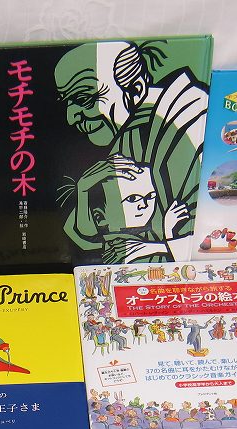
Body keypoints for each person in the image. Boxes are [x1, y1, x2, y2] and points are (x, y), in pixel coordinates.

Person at [55, 40, 207, 263]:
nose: (71, 117)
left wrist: (148, 248)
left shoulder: (188, 124)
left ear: (136, 90)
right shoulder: (131, 132)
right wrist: (84, 188)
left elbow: (202, 241)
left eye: (85, 99)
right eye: (68, 102)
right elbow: (98, 232)